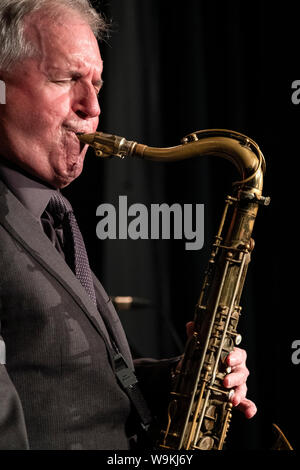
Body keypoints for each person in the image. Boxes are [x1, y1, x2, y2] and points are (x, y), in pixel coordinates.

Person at [0, 0, 256, 450]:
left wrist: (185, 376)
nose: (92, 106)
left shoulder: (50, 214)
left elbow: (67, 385)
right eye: (66, 80)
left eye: (97, 84)